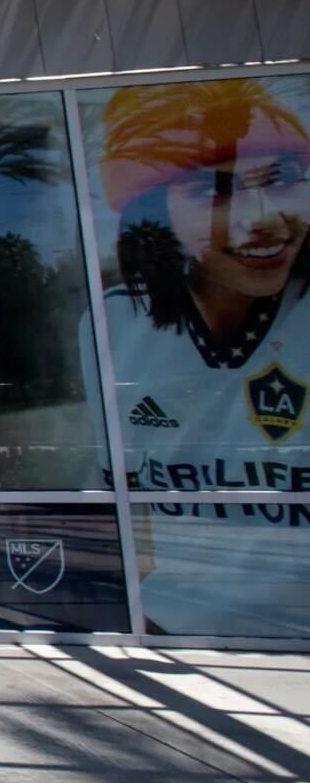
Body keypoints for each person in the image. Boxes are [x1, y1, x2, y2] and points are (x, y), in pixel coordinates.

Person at [93, 78, 310, 495]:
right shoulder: (113, 322)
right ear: (154, 214)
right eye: (214, 192)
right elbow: (119, 489)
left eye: (282, 179)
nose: (264, 217)